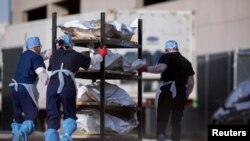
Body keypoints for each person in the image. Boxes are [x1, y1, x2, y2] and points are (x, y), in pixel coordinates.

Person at [44, 34, 107, 141]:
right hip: (67, 86)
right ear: (71, 45)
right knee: (69, 114)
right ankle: (66, 137)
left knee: (52, 114)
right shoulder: (76, 55)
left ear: (58, 44)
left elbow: (50, 68)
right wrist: (102, 54)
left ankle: (51, 137)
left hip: (52, 86)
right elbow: (92, 61)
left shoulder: (54, 55)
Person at [138, 40, 195, 141]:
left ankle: (161, 136)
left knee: (162, 117)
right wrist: (186, 94)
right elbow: (191, 82)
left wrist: (145, 69)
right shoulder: (186, 62)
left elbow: (160, 68)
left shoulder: (166, 56)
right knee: (176, 120)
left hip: (167, 90)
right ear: (177, 48)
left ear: (166, 49)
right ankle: (176, 139)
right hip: (181, 92)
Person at [9, 37, 50, 141]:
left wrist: (47, 54)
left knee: (18, 118)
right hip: (25, 90)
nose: (41, 48)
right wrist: (49, 83)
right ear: (37, 47)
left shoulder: (24, 55)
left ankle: (16, 137)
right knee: (31, 116)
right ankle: (22, 133)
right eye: (39, 46)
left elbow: (34, 58)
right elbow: (40, 71)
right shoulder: (37, 57)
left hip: (14, 89)